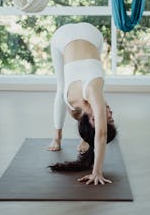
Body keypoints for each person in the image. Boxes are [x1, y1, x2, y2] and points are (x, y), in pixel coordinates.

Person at [48, 22, 117, 185]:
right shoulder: (94, 91)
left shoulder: (86, 96)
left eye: (109, 119)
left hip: (61, 36)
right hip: (92, 33)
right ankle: (57, 138)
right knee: (62, 87)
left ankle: (78, 138)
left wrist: (97, 172)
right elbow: (98, 131)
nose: (111, 114)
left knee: (60, 87)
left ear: (92, 120)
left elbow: (101, 134)